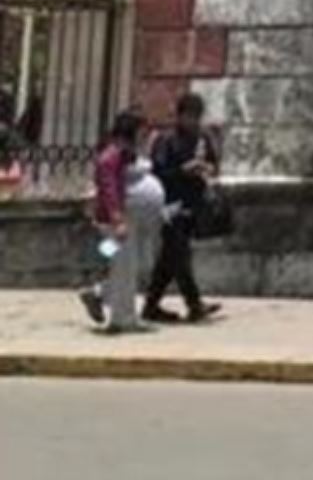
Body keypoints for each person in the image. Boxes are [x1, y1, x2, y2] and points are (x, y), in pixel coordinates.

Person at [143, 93, 222, 324]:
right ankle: (194, 303)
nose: (193, 122)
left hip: (193, 204)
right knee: (179, 253)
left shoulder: (203, 139)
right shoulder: (166, 141)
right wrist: (182, 171)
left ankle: (151, 304)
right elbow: (158, 174)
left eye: (197, 117)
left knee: (170, 257)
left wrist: (205, 169)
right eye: (189, 116)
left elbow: (214, 166)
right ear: (179, 116)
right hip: (169, 206)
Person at [82, 111, 149, 333]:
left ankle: (99, 293)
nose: (143, 136)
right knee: (124, 268)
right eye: (141, 131)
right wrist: (118, 221)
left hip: (115, 222)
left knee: (122, 265)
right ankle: (121, 318)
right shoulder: (111, 157)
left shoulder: (120, 155)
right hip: (113, 223)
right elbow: (110, 192)